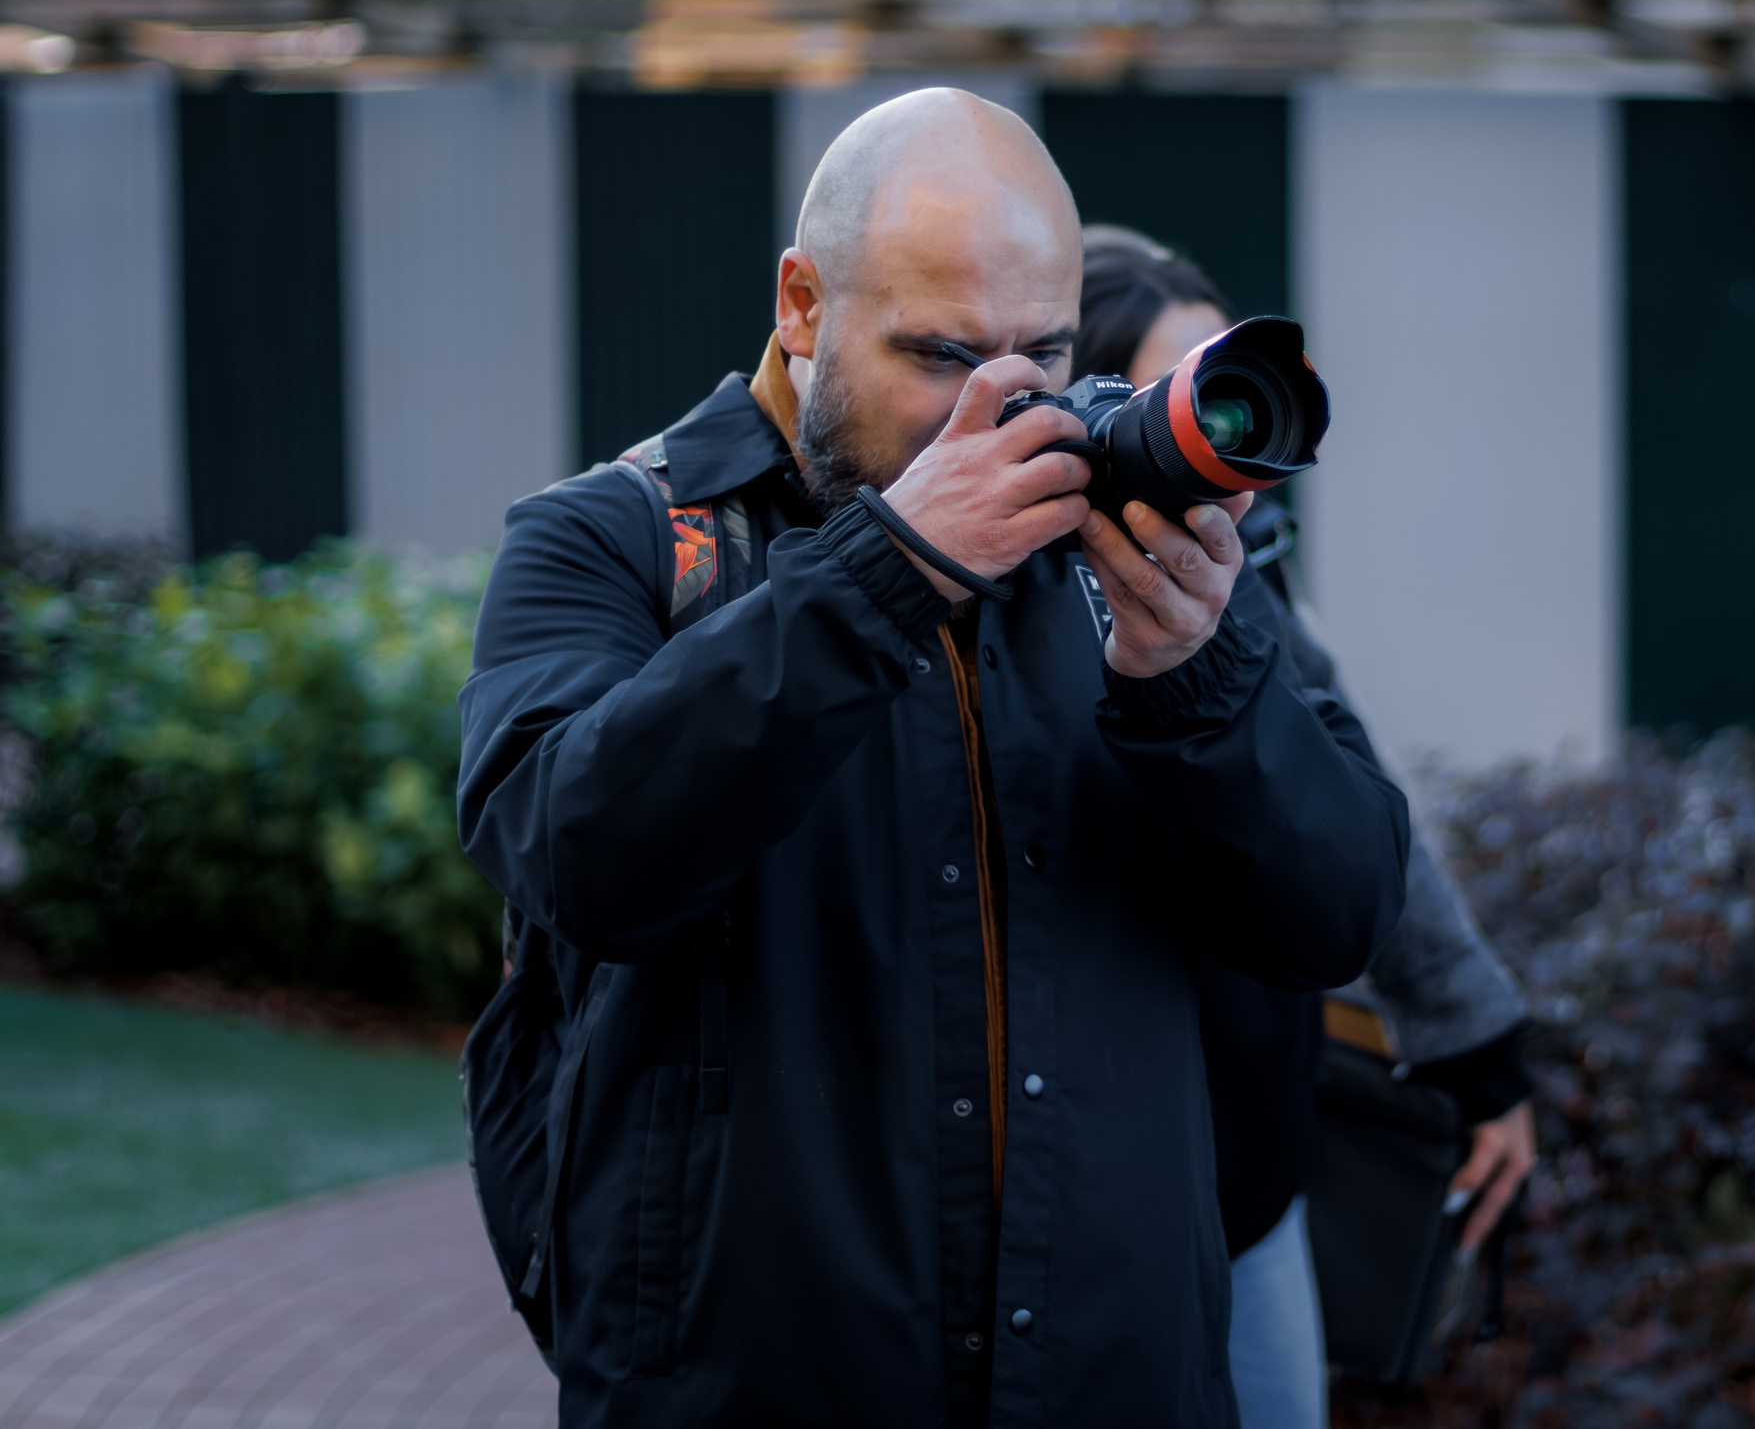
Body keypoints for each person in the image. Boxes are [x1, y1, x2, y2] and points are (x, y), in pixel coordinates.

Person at [457, 91, 1409, 1429]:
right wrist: (884, 572)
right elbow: (580, 857)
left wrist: (1203, 682)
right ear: (801, 303)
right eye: (943, 352)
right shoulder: (610, 542)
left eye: (1049, 352)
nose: (1006, 403)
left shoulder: (1133, 554)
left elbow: (1345, 906)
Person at [1078, 227, 1536, 1429]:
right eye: (1170, 399)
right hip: (1071, 1198)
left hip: (1247, 1179)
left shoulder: (1248, 575)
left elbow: (1361, 826)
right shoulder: (979, 589)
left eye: (1222, 393)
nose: (1212, 438)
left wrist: (1477, 1054)